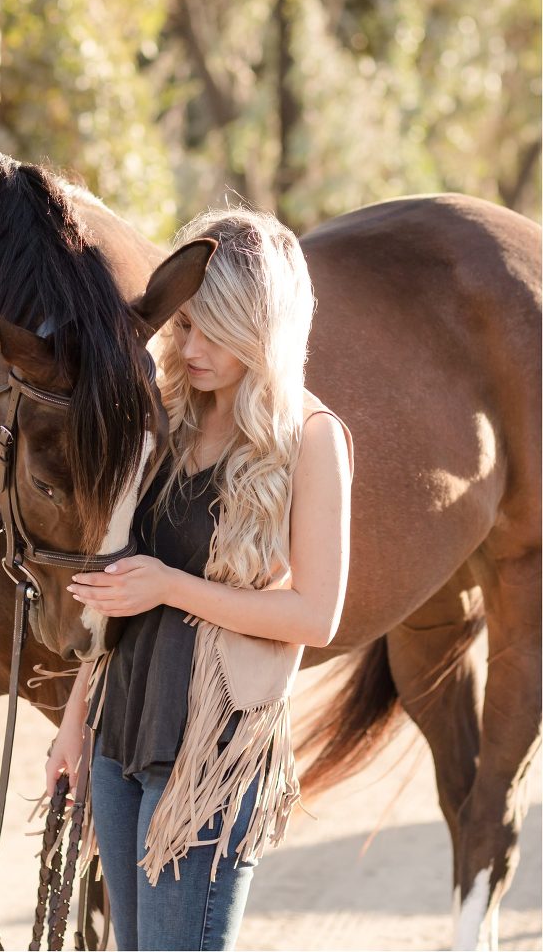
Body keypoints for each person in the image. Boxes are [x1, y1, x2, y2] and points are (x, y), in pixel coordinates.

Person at [45, 207, 353, 952]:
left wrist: (169, 586)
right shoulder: (165, 420)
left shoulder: (312, 440)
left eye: (215, 330)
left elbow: (318, 616)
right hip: (123, 727)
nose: (192, 346)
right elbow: (119, 587)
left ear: (263, 329)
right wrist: (74, 720)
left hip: (211, 746)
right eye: (185, 326)